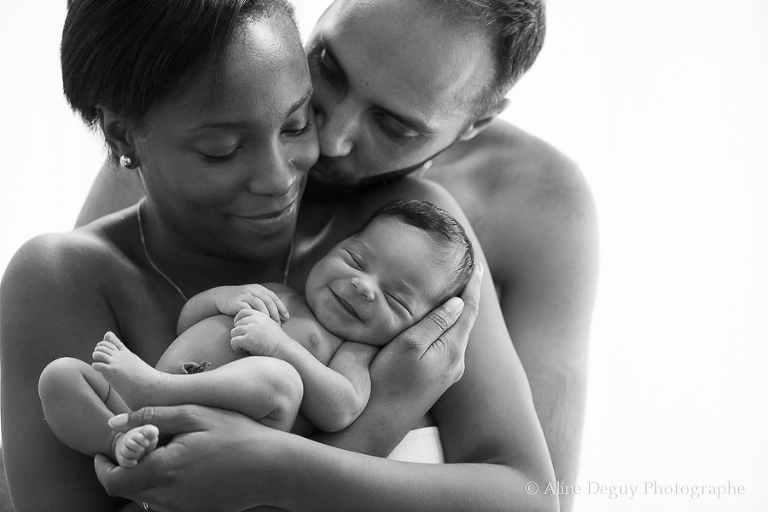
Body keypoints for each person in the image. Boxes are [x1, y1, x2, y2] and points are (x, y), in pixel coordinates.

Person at [0, 1, 557, 511]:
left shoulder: (409, 236)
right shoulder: (62, 278)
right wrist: (380, 415)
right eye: (222, 150)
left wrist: (283, 469)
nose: (281, 176)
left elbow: (530, 495)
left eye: (296, 122)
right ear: (123, 139)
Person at [39, 199, 475, 468]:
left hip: (221, 437)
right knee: (60, 375)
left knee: (279, 378)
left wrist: (281, 346)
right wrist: (224, 298)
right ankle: (117, 442)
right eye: (356, 260)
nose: (363, 287)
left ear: (414, 327)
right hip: (142, 415)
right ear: (330, 249)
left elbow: (342, 407)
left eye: (396, 300)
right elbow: (187, 323)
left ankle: (159, 387)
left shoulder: (354, 350)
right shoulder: (278, 293)